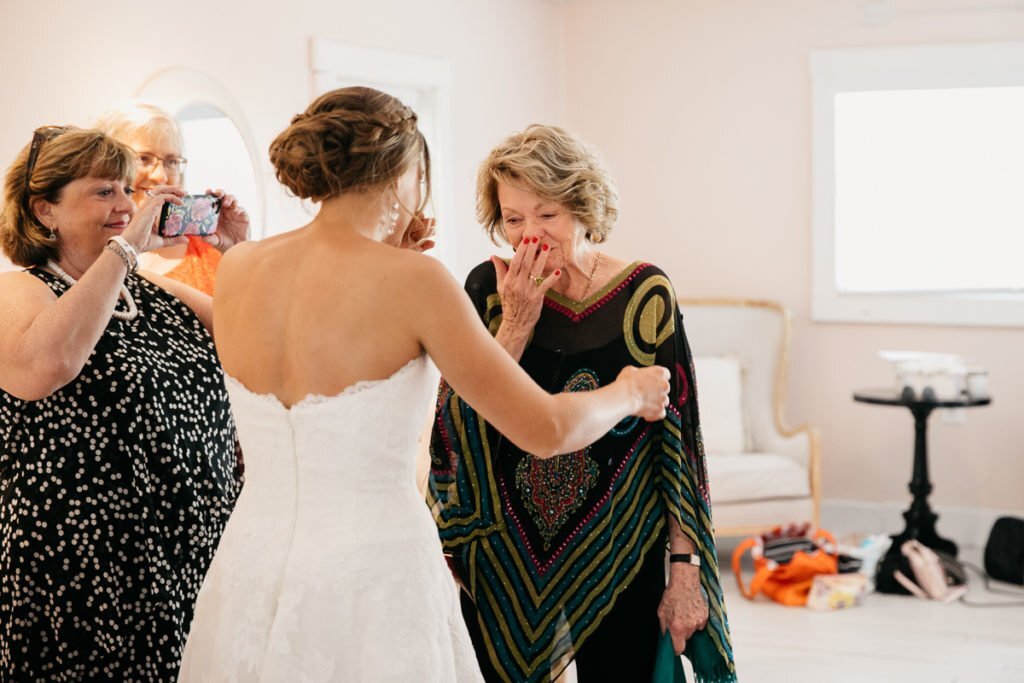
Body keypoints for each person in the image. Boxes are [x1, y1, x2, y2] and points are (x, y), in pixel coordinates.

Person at [178, 87, 671, 681]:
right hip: (372, 571)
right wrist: (632, 393)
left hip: (251, 566)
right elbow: (545, 428)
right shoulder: (417, 281)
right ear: (404, 173)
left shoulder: (238, 267)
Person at [428, 124, 737, 682]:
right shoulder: (486, 290)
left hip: (622, 544)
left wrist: (685, 573)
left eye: (547, 215)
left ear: (583, 204)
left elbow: (679, 445)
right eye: (514, 219)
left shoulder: (645, 293)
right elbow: (457, 425)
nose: (531, 236)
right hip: (504, 556)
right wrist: (517, 321)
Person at [0, 126, 244, 680]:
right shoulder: (19, 290)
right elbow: (48, 364)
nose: (127, 205)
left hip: (188, 564)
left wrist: (238, 252)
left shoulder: (156, 294)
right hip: (82, 577)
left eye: (125, 191)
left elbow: (266, 347)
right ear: (45, 211)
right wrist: (127, 246)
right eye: (104, 192)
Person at [94, 102, 248, 294]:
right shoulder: (90, 248)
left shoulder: (209, 248)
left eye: (172, 162)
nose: (161, 176)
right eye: (144, 159)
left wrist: (238, 251)